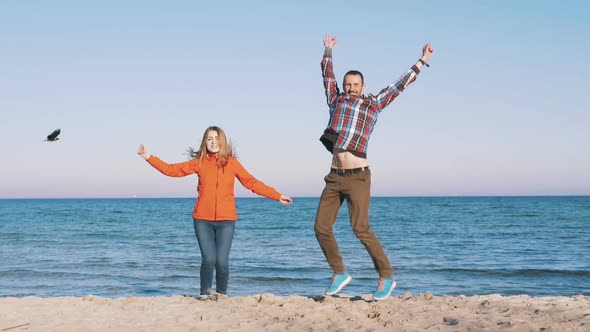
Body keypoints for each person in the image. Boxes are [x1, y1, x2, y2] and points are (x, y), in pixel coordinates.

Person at [314, 34, 433, 300]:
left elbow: (399, 85)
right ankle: (340, 273)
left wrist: (422, 60)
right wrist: (328, 51)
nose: (351, 88)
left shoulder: (373, 103)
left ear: (363, 85)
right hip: (334, 177)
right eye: (348, 84)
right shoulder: (336, 100)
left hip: (358, 177)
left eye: (355, 84)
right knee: (321, 227)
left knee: (361, 228)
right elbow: (326, 76)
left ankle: (386, 276)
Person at [137, 126, 293, 298]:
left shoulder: (232, 163)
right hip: (202, 219)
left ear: (222, 141)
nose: (213, 142)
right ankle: (204, 293)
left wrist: (277, 196)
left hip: (226, 220)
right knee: (209, 259)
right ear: (205, 142)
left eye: (216, 138)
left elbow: (252, 183)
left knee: (222, 262)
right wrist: (148, 157)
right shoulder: (199, 162)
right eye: (209, 139)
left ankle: (222, 294)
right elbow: (172, 170)